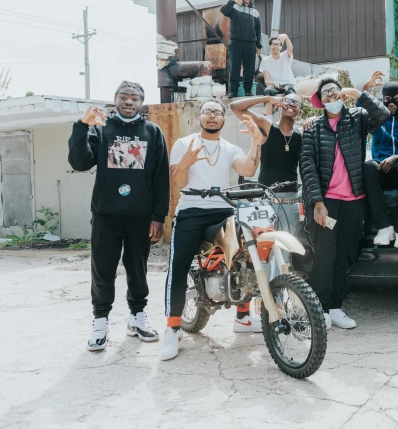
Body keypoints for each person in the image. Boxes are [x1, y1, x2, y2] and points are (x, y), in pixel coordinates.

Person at [68, 81, 170, 351]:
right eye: (123, 97)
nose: (128, 102)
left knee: (138, 270)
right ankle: (100, 321)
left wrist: (159, 216)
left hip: (140, 217)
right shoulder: (101, 128)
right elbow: (79, 162)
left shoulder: (152, 132)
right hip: (106, 214)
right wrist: (81, 126)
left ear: (141, 103)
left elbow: (161, 177)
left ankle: (137, 317)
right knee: (103, 270)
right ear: (115, 100)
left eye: (134, 98)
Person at [161, 100, 265, 361]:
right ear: (199, 117)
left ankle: (243, 316)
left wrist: (256, 141)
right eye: (207, 112)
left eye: (217, 113)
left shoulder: (229, 148)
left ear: (222, 120)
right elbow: (179, 182)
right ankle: (173, 329)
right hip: (191, 213)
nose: (211, 116)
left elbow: (248, 169)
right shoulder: (184, 144)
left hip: (222, 211)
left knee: (245, 253)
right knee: (178, 266)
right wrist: (184, 164)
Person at [300, 72, 389, 330]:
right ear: (319, 99)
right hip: (327, 204)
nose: (331, 94)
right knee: (325, 254)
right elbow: (308, 168)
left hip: (354, 202)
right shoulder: (313, 129)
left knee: (346, 254)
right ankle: (320, 307)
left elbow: (382, 114)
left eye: (335, 90)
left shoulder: (357, 119)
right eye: (325, 91)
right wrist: (317, 202)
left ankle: (336, 306)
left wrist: (358, 93)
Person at [230, 92, 303, 231]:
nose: (292, 104)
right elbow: (235, 107)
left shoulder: (301, 135)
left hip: (291, 203)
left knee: (284, 251)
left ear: (300, 111)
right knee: (263, 249)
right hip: (266, 201)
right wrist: (268, 98)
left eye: (297, 103)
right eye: (288, 100)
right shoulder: (267, 126)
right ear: (280, 104)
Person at [361, 81, 398, 249]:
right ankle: (384, 227)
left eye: (396, 99)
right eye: (387, 99)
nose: (391, 103)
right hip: (380, 170)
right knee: (367, 166)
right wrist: (365, 89)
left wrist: (397, 157)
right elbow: (359, 106)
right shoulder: (376, 119)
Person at [220, 0, 262, 98]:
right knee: (235, 67)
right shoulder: (234, 7)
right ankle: (233, 91)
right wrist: (233, 1)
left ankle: (248, 91)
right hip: (236, 42)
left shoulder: (255, 13)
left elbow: (258, 30)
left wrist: (258, 45)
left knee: (250, 68)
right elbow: (223, 10)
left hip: (250, 43)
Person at [259, 34, 295, 116]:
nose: (276, 47)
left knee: (291, 91)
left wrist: (286, 37)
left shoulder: (285, 55)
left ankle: (292, 115)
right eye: (274, 44)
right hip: (275, 86)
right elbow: (267, 81)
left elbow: (290, 48)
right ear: (269, 46)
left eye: (278, 44)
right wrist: (273, 83)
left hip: (288, 84)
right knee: (267, 90)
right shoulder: (265, 61)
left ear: (281, 47)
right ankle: (269, 117)